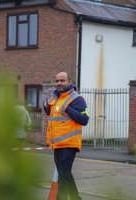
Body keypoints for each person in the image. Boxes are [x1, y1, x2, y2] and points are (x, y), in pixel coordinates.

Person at [44, 72, 89, 200]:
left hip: (69, 144)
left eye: (62, 80)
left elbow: (84, 120)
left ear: (70, 82)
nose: (59, 83)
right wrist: (45, 107)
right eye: (57, 80)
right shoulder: (54, 98)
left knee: (62, 176)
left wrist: (68, 109)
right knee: (66, 174)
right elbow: (53, 115)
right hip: (58, 143)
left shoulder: (76, 99)